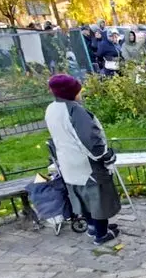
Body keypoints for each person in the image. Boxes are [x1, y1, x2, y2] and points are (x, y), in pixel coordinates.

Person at [44, 75, 121, 245]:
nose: (81, 93)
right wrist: (105, 155)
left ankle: (93, 227)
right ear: (70, 92)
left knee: (82, 197)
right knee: (97, 198)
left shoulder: (51, 109)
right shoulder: (75, 110)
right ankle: (101, 234)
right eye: (78, 90)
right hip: (86, 163)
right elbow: (89, 139)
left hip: (67, 162)